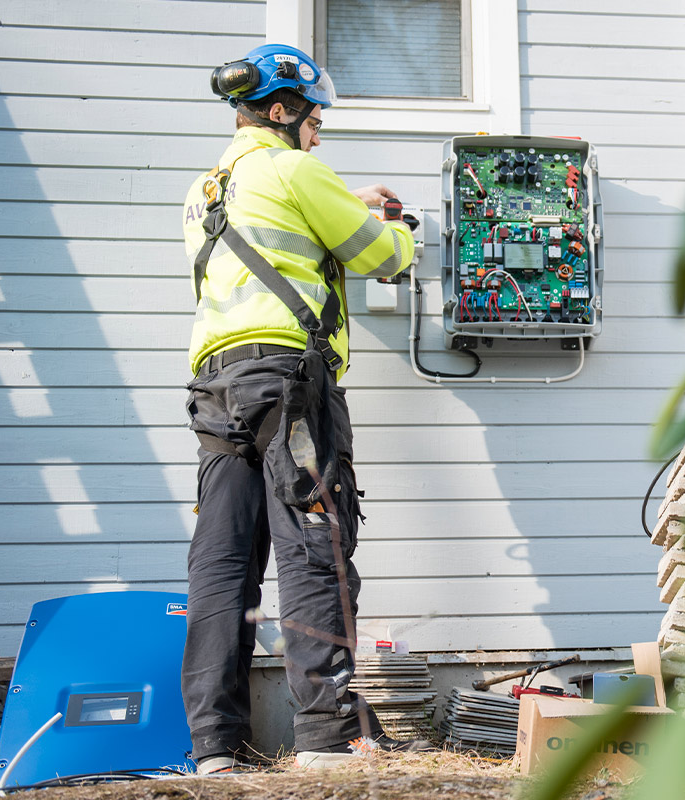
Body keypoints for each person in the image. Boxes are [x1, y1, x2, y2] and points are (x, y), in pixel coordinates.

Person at [179, 43, 425, 773]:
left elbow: (275, 232)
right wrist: (396, 224)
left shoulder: (206, 188)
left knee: (222, 564)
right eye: (314, 121)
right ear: (281, 111)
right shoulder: (295, 168)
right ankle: (326, 738)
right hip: (289, 383)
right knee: (314, 546)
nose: (319, 134)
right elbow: (384, 257)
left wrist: (347, 204)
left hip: (216, 389)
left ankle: (215, 750)